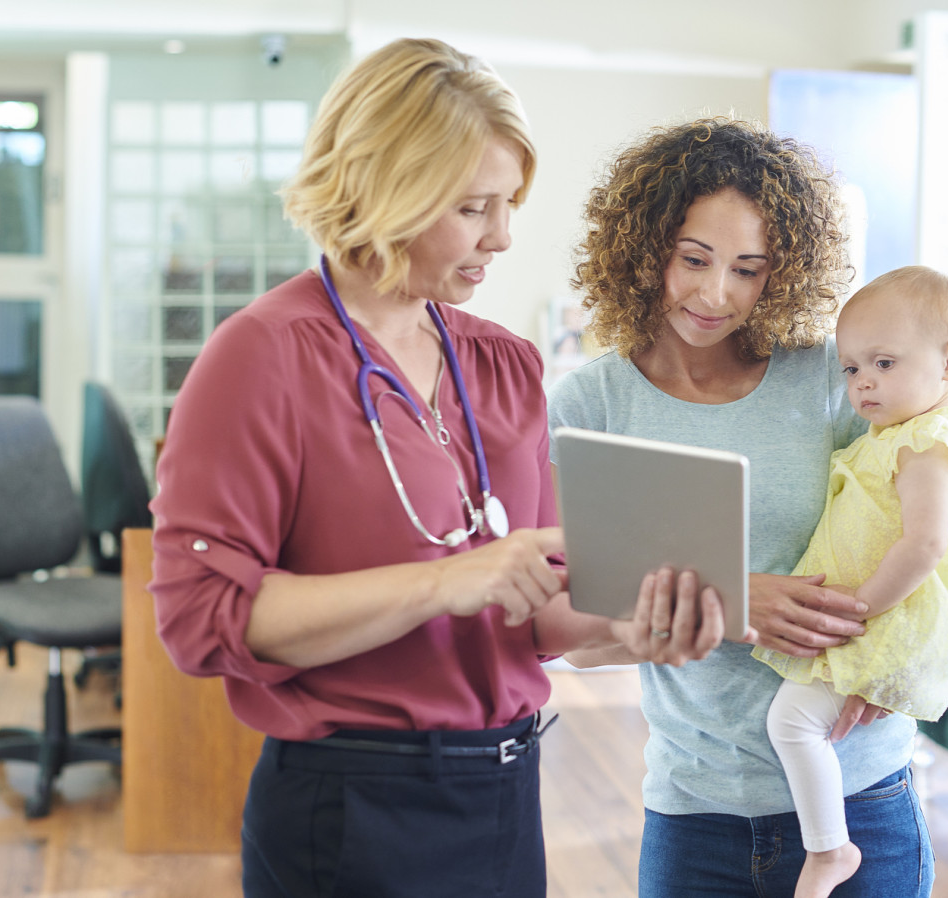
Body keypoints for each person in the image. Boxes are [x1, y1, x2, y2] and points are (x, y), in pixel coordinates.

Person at [148, 39, 722, 898]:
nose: (503, 234)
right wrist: (446, 581)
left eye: (509, 203)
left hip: (503, 793)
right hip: (350, 807)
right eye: (472, 207)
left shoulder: (506, 365)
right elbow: (201, 621)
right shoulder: (262, 357)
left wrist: (626, 632)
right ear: (388, 190)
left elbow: (532, 611)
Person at [551, 117, 934, 898]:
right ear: (645, 245)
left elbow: (940, 538)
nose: (715, 293)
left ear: (781, 273)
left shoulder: (833, 381)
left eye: (748, 269)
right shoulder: (591, 404)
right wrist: (729, 599)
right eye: (694, 259)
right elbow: (575, 642)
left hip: (863, 802)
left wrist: (893, 669)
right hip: (698, 815)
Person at [755, 266, 948, 898]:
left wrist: (861, 608)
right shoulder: (893, 435)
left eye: (885, 363)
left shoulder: (929, 439)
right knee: (794, 721)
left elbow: (927, 543)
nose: (864, 381)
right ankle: (828, 848)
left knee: (792, 724)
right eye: (851, 369)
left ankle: (829, 850)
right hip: (869, 612)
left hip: (882, 616)